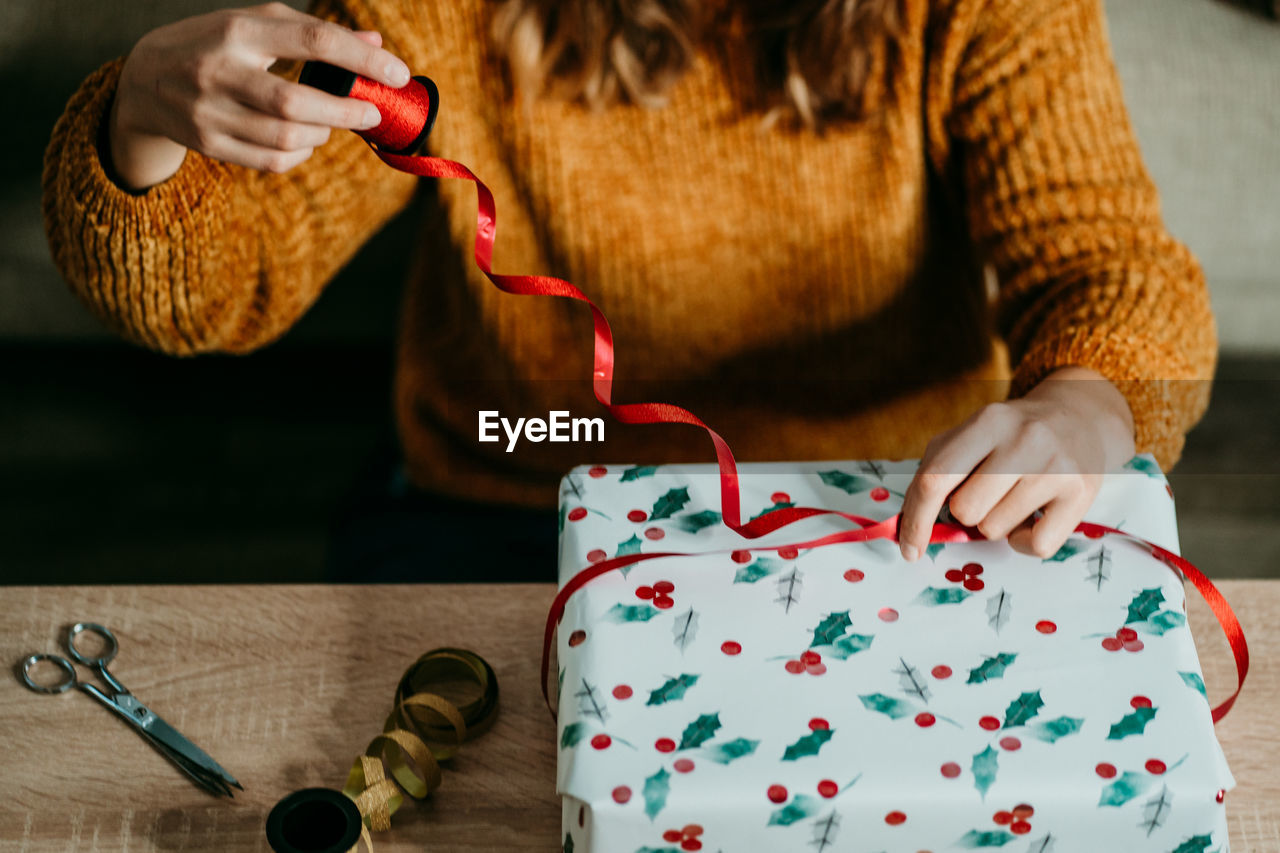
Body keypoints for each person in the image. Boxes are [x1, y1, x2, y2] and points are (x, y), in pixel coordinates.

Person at [42, 0, 1214, 579]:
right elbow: (201, 295)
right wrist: (144, 119)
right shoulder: (433, 10)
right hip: (509, 491)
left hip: (887, 510)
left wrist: (1087, 404)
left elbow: (1108, 265)